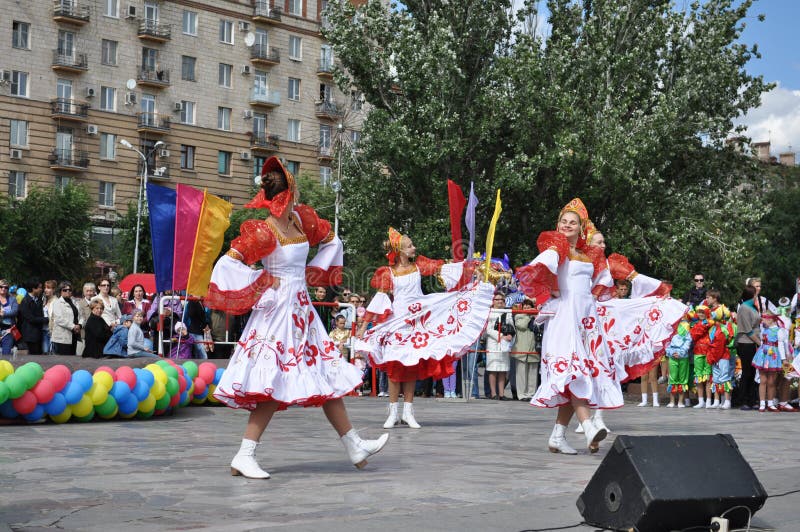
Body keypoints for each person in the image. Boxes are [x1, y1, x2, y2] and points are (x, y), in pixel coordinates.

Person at [205, 155, 387, 479]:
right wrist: (263, 281)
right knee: (271, 382)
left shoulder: (300, 222)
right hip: (278, 312)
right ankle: (245, 454)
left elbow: (332, 239)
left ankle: (354, 444)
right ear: (289, 192)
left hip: (301, 308)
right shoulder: (263, 231)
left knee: (326, 375)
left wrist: (314, 273)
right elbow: (226, 265)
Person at [516, 198, 683, 455]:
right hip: (563, 322)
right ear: (557, 224)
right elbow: (536, 271)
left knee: (580, 376)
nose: (567, 225)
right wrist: (548, 285)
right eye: (563, 221)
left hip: (586, 324)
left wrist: (654, 292)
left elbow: (608, 283)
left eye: (573, 222)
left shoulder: (589, 255)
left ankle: (558, 436)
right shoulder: (555, 250)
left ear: (582, 227)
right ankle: (588, 425)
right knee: (572, 373)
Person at [354, 227, 494, 429]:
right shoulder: (388, 273)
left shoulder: (419, 266)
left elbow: (446, 269)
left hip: (418, 323)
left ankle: (408, 412)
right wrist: (363, 324)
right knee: (394, 370)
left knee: (410, 368)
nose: (414, 248)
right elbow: (380, 299)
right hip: (397, 323)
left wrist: (471, 268)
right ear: (400, 251)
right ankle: (393, 412)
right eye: (409, 246)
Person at [483, 292, 514, 400]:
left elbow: (511, 326)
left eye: (502, 299)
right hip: (493, 342)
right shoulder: (489, 312)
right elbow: (488, 329)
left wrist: (510, 334)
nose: (500, 301)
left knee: (503, 369)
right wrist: (500, 336)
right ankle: (493, 393)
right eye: (497, 299)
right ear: (493, 301)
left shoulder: (508, 312)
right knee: (493, 368)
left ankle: (501, 393)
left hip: (505, 343)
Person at [735, 285, 760, 409]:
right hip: (746, 343)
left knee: (753, 371)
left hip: (753, 342)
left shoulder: (753, 307)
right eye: (755, 293)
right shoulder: (744, 308)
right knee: (747, 371)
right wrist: (760, 343)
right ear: (752, 295)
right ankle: (743, 400)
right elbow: (748, 330)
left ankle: (752, 399)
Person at [513, 301, 539, 401]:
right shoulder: (519, 316)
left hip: (534, 348)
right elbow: (522, 325)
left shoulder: (536, 317)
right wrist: (528, 315)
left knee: (532, 373)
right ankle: (522, 394)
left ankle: (531, 394)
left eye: (530, 306)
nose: (527, 307)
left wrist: (535, 316)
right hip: (521, 348)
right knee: (521, 374)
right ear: (522, 307)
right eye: (525, 306)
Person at [665, 318, 692, 408]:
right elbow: (667, 345)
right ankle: (672, 401)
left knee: (683, 379)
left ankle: (680, 401)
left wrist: (680, 353)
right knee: (672, 378)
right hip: (673, 358)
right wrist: (672, 353)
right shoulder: (673, 335)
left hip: (683, 358)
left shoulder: (688, 336)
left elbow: (686, 346)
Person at [50, 282, 82, 356]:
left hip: (74, 335)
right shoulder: (57, 303)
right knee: (63, 360)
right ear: (60, 291)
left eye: (69, 290)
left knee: (72, 358)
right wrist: (73, 326)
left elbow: (81, 316)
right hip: (62, 338)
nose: (68, 291)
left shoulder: (75, 302)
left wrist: (80, 325)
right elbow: (59, 319)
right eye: (65, 290)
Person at [19, 281, 48, 355]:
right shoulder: (25, 301)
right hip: (30, 336)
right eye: (39, 288)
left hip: (39, 334)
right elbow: (31, 319)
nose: (41, 289)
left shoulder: (38, 300)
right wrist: (47, 319)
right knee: (33, 357)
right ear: (33, 288)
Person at [0, 279, 19, 355]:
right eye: (1, 287)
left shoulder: (12, 299)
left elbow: (15, 312)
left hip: (9, 330)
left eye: (6, 287)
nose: (3, 289)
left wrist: (3, 314)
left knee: (6, 353)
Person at [42, 280, 57, 354]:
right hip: (43, 330)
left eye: (48, 288)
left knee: (51, 353)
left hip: (52, 331)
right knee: (45, 352)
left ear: (53, 289)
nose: (45, 290)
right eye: (45, 287)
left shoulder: (56, 301)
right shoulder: (43, 300)